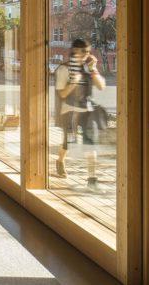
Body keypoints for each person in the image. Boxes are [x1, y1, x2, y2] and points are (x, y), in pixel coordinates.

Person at [54, 39, 107, 190]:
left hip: (87, 112)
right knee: (68, 142)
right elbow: (62, 94)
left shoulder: (88, 68)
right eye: (84, 51)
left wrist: (94, 69)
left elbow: (101, 86)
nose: (87, 55)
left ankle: (92, 179)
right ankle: (60, 160)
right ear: (75, 51)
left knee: (90, 144)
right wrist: (73, 83)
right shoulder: (63, 69)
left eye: (89, 52)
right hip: (69, 112)